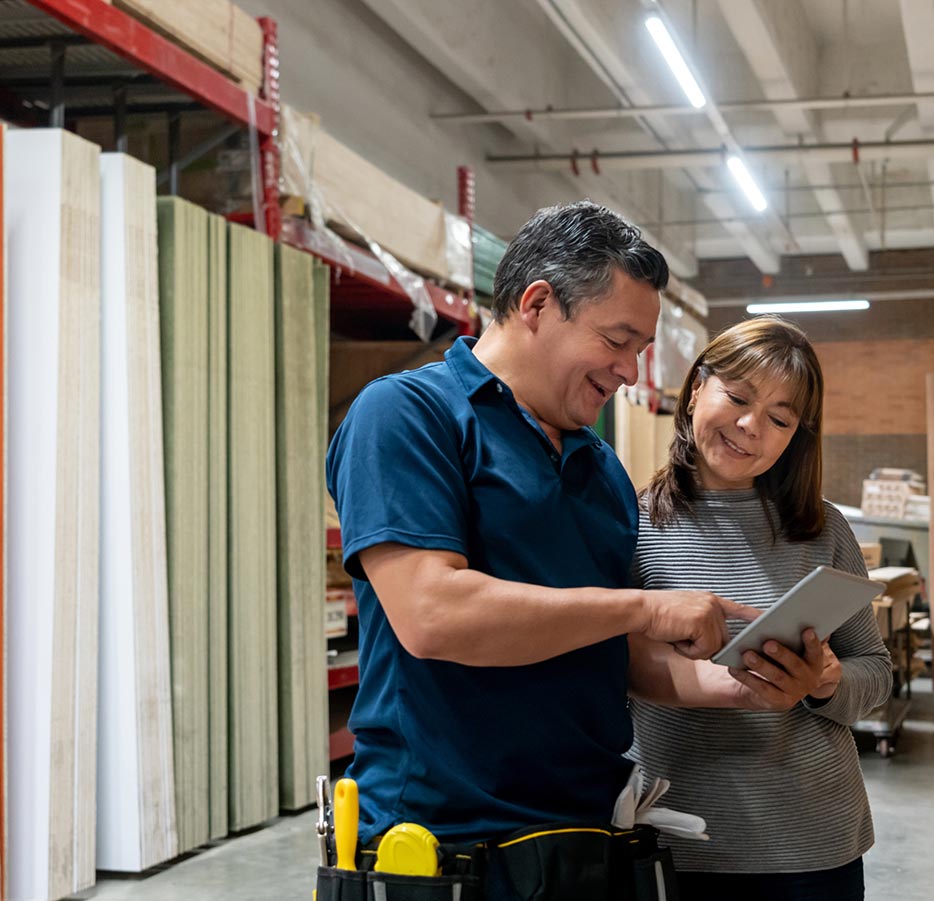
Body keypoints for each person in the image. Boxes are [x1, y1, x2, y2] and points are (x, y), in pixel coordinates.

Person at [324, 201, 756, 899]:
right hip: (445, 844)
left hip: (587, 837)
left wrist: (738, 685)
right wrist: (645, 608)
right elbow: (432, 613)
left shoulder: (601, 469)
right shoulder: (409, 415)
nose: (628, 370)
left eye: (641, 349)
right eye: (617, 340)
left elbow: (609, 651)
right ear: (536, 304)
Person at [626, 316, 894, 901]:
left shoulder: (823, 529)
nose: (751, 426)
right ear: (696, 388)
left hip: (811, 843)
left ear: (796, 436)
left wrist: (825, 682)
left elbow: (875, 672)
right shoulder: (633, 522)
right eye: (739, 398)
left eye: (779, 418)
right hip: (674, 836)